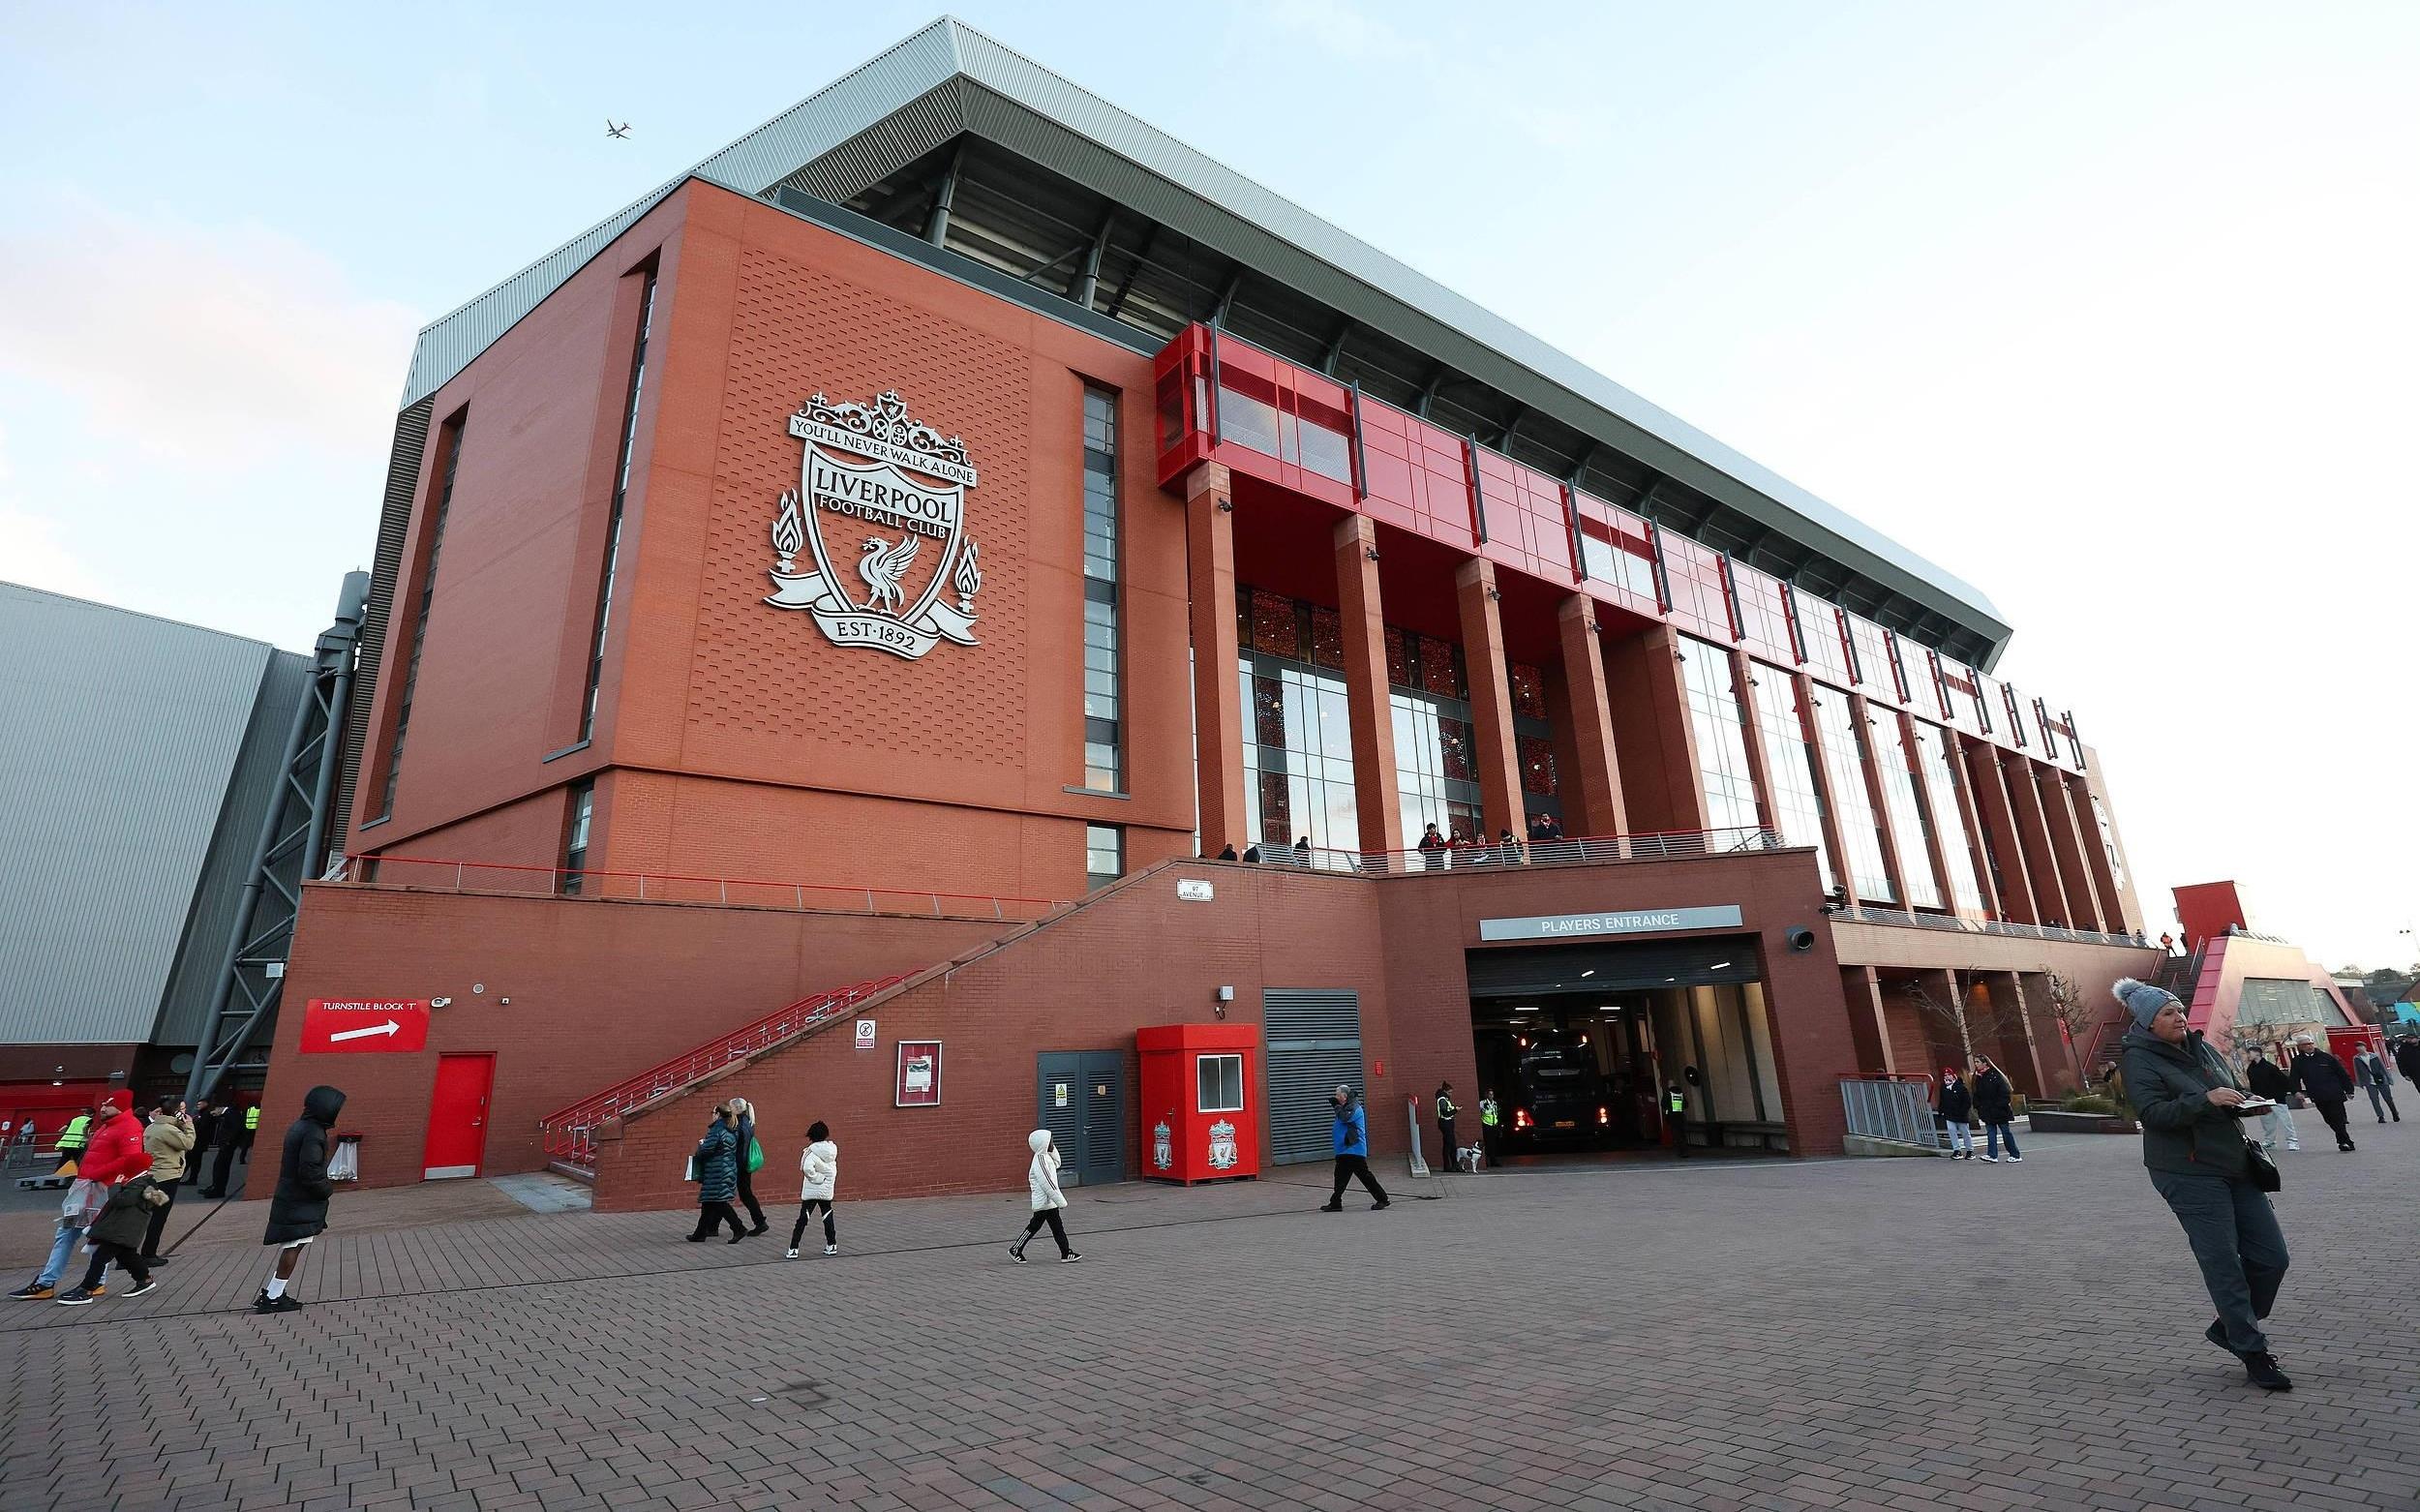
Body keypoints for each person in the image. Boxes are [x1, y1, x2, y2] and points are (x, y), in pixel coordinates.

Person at [2115, 979, 2292, 1391]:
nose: (2179, 1017)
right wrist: (2206, 1100)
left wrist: (2246, 1100)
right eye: (2168, 1013)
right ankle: (2252, 1349)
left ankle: (2229, 1326)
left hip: (2235, 1162)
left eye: (2179, 1009)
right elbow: (2153, 1114)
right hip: (2187, 1171)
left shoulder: (2202, 1048)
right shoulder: (2139, 1059)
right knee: (2223, 1262)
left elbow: (2230, 1087)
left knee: (2272, 1258)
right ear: (2148, 1022)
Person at [253, 1085, 345, 1314]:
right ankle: (273, 1296)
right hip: (300, 1200)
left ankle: (274, 1292)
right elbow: (309, 1170)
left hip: (294, 1198)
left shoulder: (301, 1127)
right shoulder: (313, 1133)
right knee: (293, 1245)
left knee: (296, 1244)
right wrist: (326, 1189)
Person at [54, 1167, 166, 1306]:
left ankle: (86, 1290)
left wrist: (115, 1186)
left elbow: (119, 1200)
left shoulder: (136, 1186)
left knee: (99, 1258)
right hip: (125, 1230)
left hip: (120, 1230)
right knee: (126, 1255)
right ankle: (144, 1279)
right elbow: (155, 1201)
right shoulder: (144, 1183)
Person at [10, 1174, 106, 1300]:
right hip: (84, 1190)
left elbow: (123, 1162)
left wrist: (96, 1173)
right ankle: (47, 1282)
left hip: (92, 1190)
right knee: (71, 1235)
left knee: (90, 1237)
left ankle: (47, 1282)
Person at [137, 1098, 195, 1265]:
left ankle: (128, 1254)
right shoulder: (168, 1130)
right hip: (167, 1178)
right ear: (176, 1112)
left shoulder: (153, 1127)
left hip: (153, 1176)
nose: (185, 1113)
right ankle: (148, 1253)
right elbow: (188, 1144)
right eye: (182, 1110)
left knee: (146, 1215)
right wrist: (189, 1125)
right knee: (158, 1216)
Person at [1011, 1130, 1079, 1262]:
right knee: (1034, 1227)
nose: (1052, 1143)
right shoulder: (1040, 1160)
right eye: (1050, 1141)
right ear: (1043, 1143)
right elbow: (1047, 1183)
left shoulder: (1046, 1157)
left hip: (1049, 1201)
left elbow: (1057, 1163)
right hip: (1043, 1202)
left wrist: (1052, 1149)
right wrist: (1060, 1201)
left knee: (1057, 1227)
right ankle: (1015, 1249)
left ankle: (1066, 1253)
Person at [1320, 1086, 1389, 1211]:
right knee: (1341, 1177)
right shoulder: (1344, 1108)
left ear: (1345, 1096)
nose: (1336, 1097)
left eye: (1338, 1095)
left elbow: (1345, 1118)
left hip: (1354, 1149)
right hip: (1344, 1150)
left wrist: (1336, 1106)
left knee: (1364, 1176)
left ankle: (1382, 1199)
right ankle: (1336, 1202)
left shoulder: (1354, 1107)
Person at [686, 1103, 746, 1243]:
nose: (712, 1116)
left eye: (713, 1113)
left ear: (718, 1114)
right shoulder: (732, 1129)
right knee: (708, 1202)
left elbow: (707, 1149)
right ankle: (700, 1233)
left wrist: (701, 1147)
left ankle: (738, 1228)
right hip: (726, 1168)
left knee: (720, 1202)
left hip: (716, 1171)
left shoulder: (717, 1129)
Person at [2287, 1034, 2355, 1151]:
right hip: (2317, 1094)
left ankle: (2344, 1142)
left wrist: (2349, 1090)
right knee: (2329, 1119)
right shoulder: (2298, 1061)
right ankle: (2345, 1140)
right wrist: (2296, 1091)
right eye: (2305, 1045)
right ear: (2300, 1047)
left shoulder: (2326, 1057)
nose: (2309, 1046)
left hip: (2334, 1092)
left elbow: (2342, 1074)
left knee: (2338, 1118)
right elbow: (2294, 1077)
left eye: (2310, 1043)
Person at [787, 1120, 838, 1258]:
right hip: (826, 1189)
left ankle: (793, 1248)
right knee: (827, 1214)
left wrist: (816, 1178)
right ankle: (832, 1245)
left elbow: (807, 1168)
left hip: (812, 1190)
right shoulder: (832, 1150)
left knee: (803, 1218)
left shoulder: (811, 1152)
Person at [2244, 1049, 2298, 1153]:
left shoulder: (2270, 1067)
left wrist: (2291, 1092)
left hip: (2277, 1099)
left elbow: (2284, 1080)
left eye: (2249, 1053)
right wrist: (2254, 1097)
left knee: (2286, 1122)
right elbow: (2253, 1085)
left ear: (2257, 1053)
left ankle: (2292, 1141)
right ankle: (2270, 1141)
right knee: (2267, 1123)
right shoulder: (2251, 1069)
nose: (2248, 1055)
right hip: (2263, 1101)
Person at [728, 1097, 769, 1235]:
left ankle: (760, 1222)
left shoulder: (739, 1124)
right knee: (743, 1193)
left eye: (731, 1107)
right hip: (744, 1163)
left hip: (740, 1164)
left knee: (743, 1195)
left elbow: (737, 1146)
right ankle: (760, 1221)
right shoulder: (748, 1121)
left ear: (736, 1108)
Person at [1971, 1056, 2021, 1163]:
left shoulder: (1995, 1076)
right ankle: (1992, 1155)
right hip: (1987, 1111)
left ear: (1985, 1063)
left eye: (1978, 1062)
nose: (1976, 1064)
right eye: (1975, 1062)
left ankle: (2015, 1155)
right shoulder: (1978, 1078)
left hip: (1999, 1111)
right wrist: (1978, 1106)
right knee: (1991, 1132)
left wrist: (1999, 1105)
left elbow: (2005, 1093)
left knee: (2005, 1132)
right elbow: (1976, 1094)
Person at [2350, 1043, 2399, 1124]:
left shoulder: (2374, 1056)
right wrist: (2360, 1083)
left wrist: (2389, 1079)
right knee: (2374, 1100)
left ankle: (2394, 1113)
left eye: (2361, 1046)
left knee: (2388, 1098)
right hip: (2369, 1082)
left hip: (2381, 1080)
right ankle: (2380, 1116)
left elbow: (2383, 1067)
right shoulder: (2356, 1058)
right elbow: (2357, 1071)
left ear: (2365, 1047)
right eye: (2357, 1047)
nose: (2359, 1048)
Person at [1938, 1068, 1976, 1160]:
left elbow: (1967, 1102)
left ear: (1953, 1076)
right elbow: (1942, 1100)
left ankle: (1970, 1150)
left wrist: (1963, 1111)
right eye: (1945, 1075)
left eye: (1949, 1075)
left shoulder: (1960, 1087)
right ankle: (1956, 1150)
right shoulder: (1944, 1087)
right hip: (1949, 1114)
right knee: (1951, 1131)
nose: (1947, 1077)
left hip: (1961, 1115)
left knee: (1965, 1133)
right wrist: (1941, 1110)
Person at [186, 1100, 221, 1187]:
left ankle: (190, 1178)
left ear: (206, 1104)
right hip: (199, 1141)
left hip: (199, 1141)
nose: (198, 1105)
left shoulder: (206, 1115)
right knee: (194, 1160)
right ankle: (191, 1178)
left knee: (192, 1159)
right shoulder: (202, 1114)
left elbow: (202, 1128)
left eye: (200, 1104)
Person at [1434, 1082, 1460, 1167]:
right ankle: (1449, 1165)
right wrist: (1455, 1110)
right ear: (1445, 1091)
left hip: (1448, 1123)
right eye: (1449, 1092)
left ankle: (1452, 1165)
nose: (1451, 1094)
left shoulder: (1445, 1099)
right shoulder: (1442, 1100)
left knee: (1450, 1144)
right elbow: (1445, 1113)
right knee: (1449, 1144)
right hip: (1445, 1123)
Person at [1664, 1082, 1689, 1159]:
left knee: (1676, 1135)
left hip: (1672, 1117)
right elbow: (1686, 1105)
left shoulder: (1668, 1094)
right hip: (1681, 1116)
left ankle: (1680, 1151)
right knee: (1682, 1134)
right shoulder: (1681, 1094)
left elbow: (1663, 1104)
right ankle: (1685, 1151)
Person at [1477, 1090, 1500, 1164]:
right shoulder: (1482, 1103)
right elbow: (1479, 1112)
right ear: (1486, 1095)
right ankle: (1486, 1161)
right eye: (1490, 1094)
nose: (1491, 1096)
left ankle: (1493, 1160)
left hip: (1494, 1125)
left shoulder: (1495, 1103)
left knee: (1493, 1143)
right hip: (1486, 1124)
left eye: (1492, 1094)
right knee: (1487, 1143)